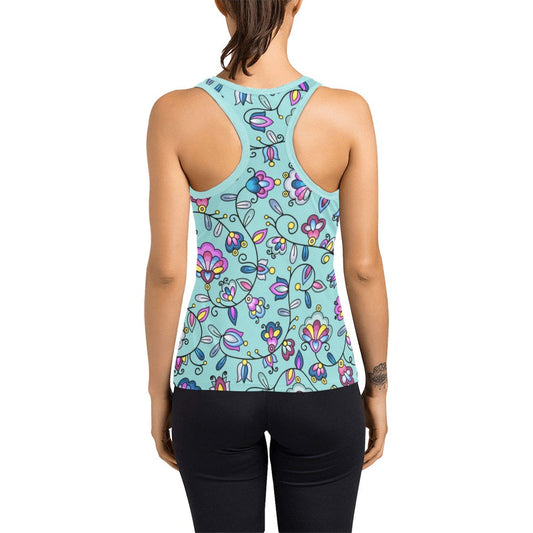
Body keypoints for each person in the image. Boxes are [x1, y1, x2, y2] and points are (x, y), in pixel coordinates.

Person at [144, 0, 389, 531]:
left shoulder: (174, 114)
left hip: (211, 381)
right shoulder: (347, 113)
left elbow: (166, 271)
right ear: (298, 1)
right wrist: (378, 385)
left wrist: (158, 390)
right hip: (321, 378)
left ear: (220, 3)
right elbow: (364, 268)